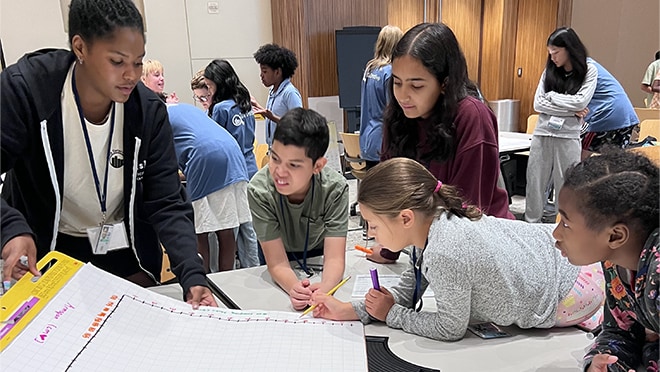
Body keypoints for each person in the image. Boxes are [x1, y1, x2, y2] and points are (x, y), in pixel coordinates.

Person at [0, 0, 216, 309]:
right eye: (117, 61)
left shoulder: (147, 111)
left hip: (126, 251)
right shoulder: (27, 91)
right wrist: (11, 229)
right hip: (51, 250)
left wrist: (192, 274)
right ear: (80, 48)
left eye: (139, 62)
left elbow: (166, 201)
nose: (131, 75)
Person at [310, 157, 604, 341]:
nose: (371, 236)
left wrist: (392, 316)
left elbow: (450, 328)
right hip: (566, 258)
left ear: (405, 218)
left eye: (373, 225)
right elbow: (407, 293)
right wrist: (352, 310)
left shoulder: (443, 250)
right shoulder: (433, 221)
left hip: (572, 288)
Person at [377, 22, 514, 263]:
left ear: (445, 83)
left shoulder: (472, 117)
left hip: (482, 245)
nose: (403, 95)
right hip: (431, 243)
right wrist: (390, 250)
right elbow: (391, 190)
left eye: (416, 85)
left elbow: (469, 210)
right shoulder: (399, 115)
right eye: (397, 82)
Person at [553, 149, 659, 372]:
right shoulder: (615, 262)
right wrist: (606, 362)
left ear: (615, 236)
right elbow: (621, 329)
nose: (556, 234)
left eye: (566, 224)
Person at [247, 108, 348, 311]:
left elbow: (335, 257)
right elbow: (276, 263)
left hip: (318, 256)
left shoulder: (334, 189)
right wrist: (295, 288)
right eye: (275, 159)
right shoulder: (259, 190)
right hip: (277, 254)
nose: (280, 172)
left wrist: (325, 290)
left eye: (293, 165)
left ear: (317, 166)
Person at [167, 103, 259, 271]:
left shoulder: (157, 117)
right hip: (234, 155)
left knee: (199, 231)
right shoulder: (184, 109)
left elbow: (163, 166)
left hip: (205, 157)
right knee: (226, 228)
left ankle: (204, 282)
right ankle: (226, 281)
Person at [525, 27, 597, 224]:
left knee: (565, 185)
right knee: (535, 182)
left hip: (568, 136)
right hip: (542, 133)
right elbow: (538, 104)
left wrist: (553, 97)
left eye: (556, 52)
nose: (553, 57)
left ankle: (562, 225)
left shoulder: (589, 70)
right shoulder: (549, 71)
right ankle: (532, 224)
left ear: (569, 49)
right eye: (550, 52)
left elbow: (581, 103)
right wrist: (571, 108)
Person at [204, 59, 258, 179]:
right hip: (251, 165)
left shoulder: (221, 109)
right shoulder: (245, 101)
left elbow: (215, 144)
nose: (209, 91)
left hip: (232, 169)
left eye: (209, 86)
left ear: (218, 84)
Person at [359, 25, 403, 169]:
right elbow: (393, 112)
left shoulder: (370, 69)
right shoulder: (390, 72)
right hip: (383, 141)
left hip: (367, 138)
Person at [580, 59, 639, 153]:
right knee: (615, 161)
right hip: (625, 117)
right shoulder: (589, 64)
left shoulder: (581, 68)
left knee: (583, 160)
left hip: (606, 116)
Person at [251, 43, 303, 147]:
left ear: (277, 72)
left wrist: (272, 117)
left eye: (264, 71)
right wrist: (258, 106)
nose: (261, 75)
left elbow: (299, 124)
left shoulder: (290, 93)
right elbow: (272, 116)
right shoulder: (273, 91)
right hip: (273, 149)